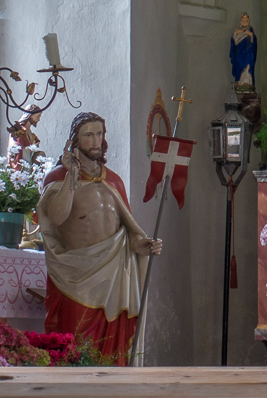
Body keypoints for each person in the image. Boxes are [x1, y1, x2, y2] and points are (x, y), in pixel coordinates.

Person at [39, 112, 162, 365]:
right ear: (75, 141)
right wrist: (71, 178)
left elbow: (130, 234)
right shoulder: (58, 178)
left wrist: (145, 245)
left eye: (99, 134)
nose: (95, 140)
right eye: (88, 135)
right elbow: (58, 217)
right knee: (75, 346)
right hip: (75, 277)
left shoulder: (113, 181)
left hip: (114, 277)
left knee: (112, 353)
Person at [230, 13, 256, 93]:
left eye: (246, 19)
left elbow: (254, 40)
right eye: (243, 19)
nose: (245, 20)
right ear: (241, 20)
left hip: (248, 54)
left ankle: (247, 83)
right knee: (239, 66)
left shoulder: (250, 28)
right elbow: (233, 40)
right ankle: (240, 82)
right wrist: (241, 32)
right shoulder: (238, 30)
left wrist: (250, 35)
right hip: (239, 53)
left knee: (248, 67)